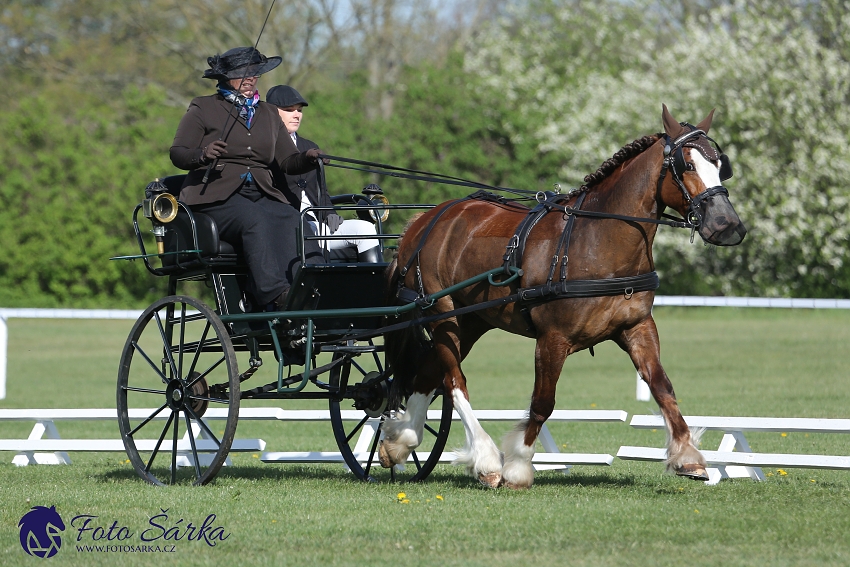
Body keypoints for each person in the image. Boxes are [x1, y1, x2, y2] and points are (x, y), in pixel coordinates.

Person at [170, 47, 324, 309]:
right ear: (225, 77)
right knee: (254, 219)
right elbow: (178, 153)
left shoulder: (267, 113)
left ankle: (313, 286)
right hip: (216, 195)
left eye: (254, 72)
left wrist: (307, 157)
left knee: (289, 217)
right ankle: (272, 294)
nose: (250, 77)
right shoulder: (204, 107)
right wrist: (203, 154)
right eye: (243, 73)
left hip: (261, 193)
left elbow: (287, 161)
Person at [265, 85, 382, 263]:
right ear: (273, 113)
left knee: (365, 228)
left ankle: (376, 287)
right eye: (289, 110)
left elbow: (321, 191)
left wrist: (329, 214)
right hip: (289, 226)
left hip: (317, 223)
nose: (297, 115)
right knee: (309, 233)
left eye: (299, 110)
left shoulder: (308, 145)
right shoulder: (265, 148)